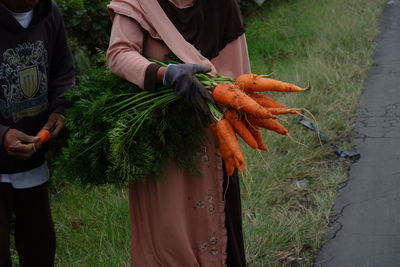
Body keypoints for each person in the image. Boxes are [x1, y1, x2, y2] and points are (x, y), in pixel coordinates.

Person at [106, 0, 250, 266]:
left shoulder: (223, 6)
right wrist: (164, 74)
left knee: (221, 233)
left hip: (213, 136)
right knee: (167, 234)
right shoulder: (139, 3)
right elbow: (119, 54)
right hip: (162, 140)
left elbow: (239, 73)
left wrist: (219, 94)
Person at [0, 0, 74, 266]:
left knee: (39, 248)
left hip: (33, 158)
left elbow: (63, 71)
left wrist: (60, 109)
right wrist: (2, 134)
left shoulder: (48, 13)